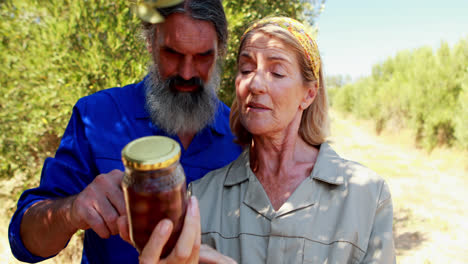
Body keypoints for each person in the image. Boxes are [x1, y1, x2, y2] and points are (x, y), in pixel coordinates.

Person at [130, 16, 396, 263]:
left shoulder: (367, 194)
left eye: (277, 72)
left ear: (309, 94)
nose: (254, 84)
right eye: (246, 69)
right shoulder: (200, 197)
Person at [8, 1, 242, 263]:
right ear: (150, 44)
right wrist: (72, 210)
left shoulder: (241, 135)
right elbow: (24, 241)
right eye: (172, 54)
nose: (187, 73)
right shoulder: (96, 115)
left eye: (202, 57)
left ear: (220, 51)